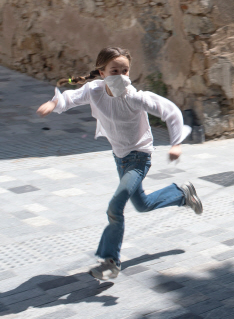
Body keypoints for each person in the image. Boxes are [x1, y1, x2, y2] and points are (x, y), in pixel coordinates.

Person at [36, 47, 202, 280]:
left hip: (139, 157)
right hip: (120, 158)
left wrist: (176, 143)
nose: (121, 75)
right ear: (102, 73)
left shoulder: (134, 97)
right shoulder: (94, 91)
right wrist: (54, 104)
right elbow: (71, 97)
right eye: (115, 70)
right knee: (142, 204)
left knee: (115, 207)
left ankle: (110, 260)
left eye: (125, 71)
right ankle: (182, 195)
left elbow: (171, 112)